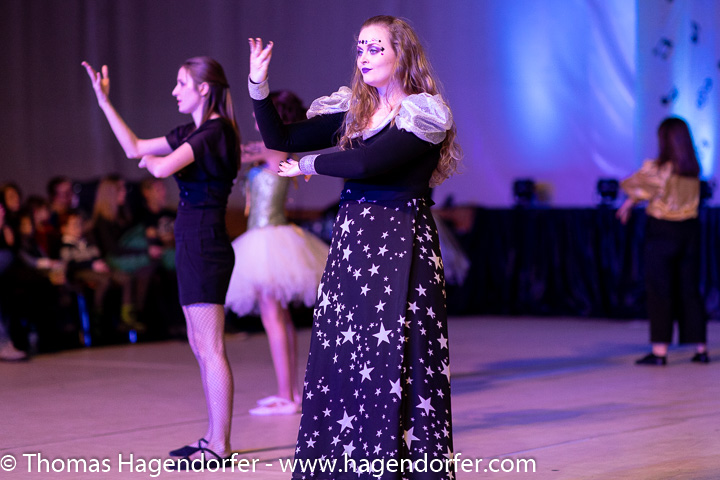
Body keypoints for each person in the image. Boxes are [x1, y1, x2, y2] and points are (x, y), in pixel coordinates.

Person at [249, 14, 462, 478]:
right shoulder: (355, 110)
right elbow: (279, 138)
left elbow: (367, 163)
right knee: (345, 356)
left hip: (400, 244)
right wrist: (258, 84)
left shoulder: (423, 113)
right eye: (360, 48)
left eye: (375, 48)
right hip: (353, 246)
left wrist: (308, 165)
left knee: (400, 358)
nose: (363, 56)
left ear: (401, 55)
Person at [82, 55, 239, 466]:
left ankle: (220, 445)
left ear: (203, 88)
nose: (174, 91)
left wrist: (154, 164)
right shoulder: (193, 131)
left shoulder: (216, 131)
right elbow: (134, 148)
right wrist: (104, 101)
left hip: (205, 242)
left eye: (181, 83)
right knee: (200, 344)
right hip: (191, 240)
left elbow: (159, 167)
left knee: (210, 346)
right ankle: (213, 437)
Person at [225, 90, 329, 416]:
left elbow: (235, 152)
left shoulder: (275, 148)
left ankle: (287, 395)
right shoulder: (271, 149)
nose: (257, 118)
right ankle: (290, 393)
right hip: (264, 238)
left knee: (274, 317)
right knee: (278, 317)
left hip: (269, 239)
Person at [617, 116, 709, 365]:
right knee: (689, 289)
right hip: (690, 231)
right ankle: (701, 349)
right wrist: (631, 203)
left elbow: (635, 185)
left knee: (660, 289)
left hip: (663, 231)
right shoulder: (692, 169)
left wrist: (629, 201)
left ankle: (659, 351)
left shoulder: (660, 168)